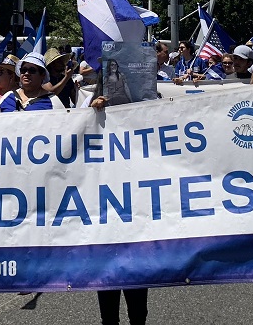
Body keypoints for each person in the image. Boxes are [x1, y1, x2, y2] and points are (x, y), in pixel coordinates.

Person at [90, 64, 148, 325]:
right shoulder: (92, 117)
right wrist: (93, 112)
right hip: (106, 222)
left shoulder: (146, 114)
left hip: (136, 220)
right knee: (108, 300)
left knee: (138, 303)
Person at [0, 52, 65, 112]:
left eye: (32, 70)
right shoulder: (8, 97)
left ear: (42, 75)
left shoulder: (53, 101)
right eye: (23, 70)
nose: (26, 73)